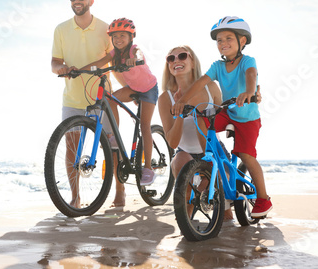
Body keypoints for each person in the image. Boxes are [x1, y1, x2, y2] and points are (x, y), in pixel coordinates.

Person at [171, 16, 272, 218]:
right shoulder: (218, 66)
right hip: (228, 112)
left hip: (247, 119)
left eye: (228, 38)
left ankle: (263, 199)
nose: (223, 43)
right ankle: (210, 158)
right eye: (219, 40)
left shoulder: (247, 61)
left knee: (246, 155)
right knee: (202, 119)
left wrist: (248, 92)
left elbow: (251, 76)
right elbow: (201, 82)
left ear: (242, 41)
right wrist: (183, 100)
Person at [51, 0, 123, 207]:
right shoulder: (61, 29)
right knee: (72, 148)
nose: (76, 1)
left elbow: (114, 55)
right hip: (73, 97)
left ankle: (119, 193)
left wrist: (94, 66)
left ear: (91, 1)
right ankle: (75, 197)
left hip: (102, 96)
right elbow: (54, 62)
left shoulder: (105, 28)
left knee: (112, 146)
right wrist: (60, 69)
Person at [158, 45, 235, 220]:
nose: (176, 60)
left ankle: (213, 200)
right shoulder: (165, 99)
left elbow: (224, 118)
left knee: (227, 216)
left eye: (182, 56)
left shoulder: (211, 88)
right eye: (171, 58)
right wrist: (179, 111)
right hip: (185, 152)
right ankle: (189, 212)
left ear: (193, 62)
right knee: (179, 162)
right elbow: (172, 143)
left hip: (213, 150)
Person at [80, 18, 159, 187]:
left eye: (122, 35)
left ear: (131, 37)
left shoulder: (134, 50)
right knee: (109, 99)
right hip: (133, 88)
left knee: (144, 125)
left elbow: (139, 55)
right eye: (115, 37)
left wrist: (134, 60)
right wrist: (80, 70)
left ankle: (148, 168)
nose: (118, 40)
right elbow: (99, 63)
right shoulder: (114, 54)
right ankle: (114, 137)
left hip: (148, 89)